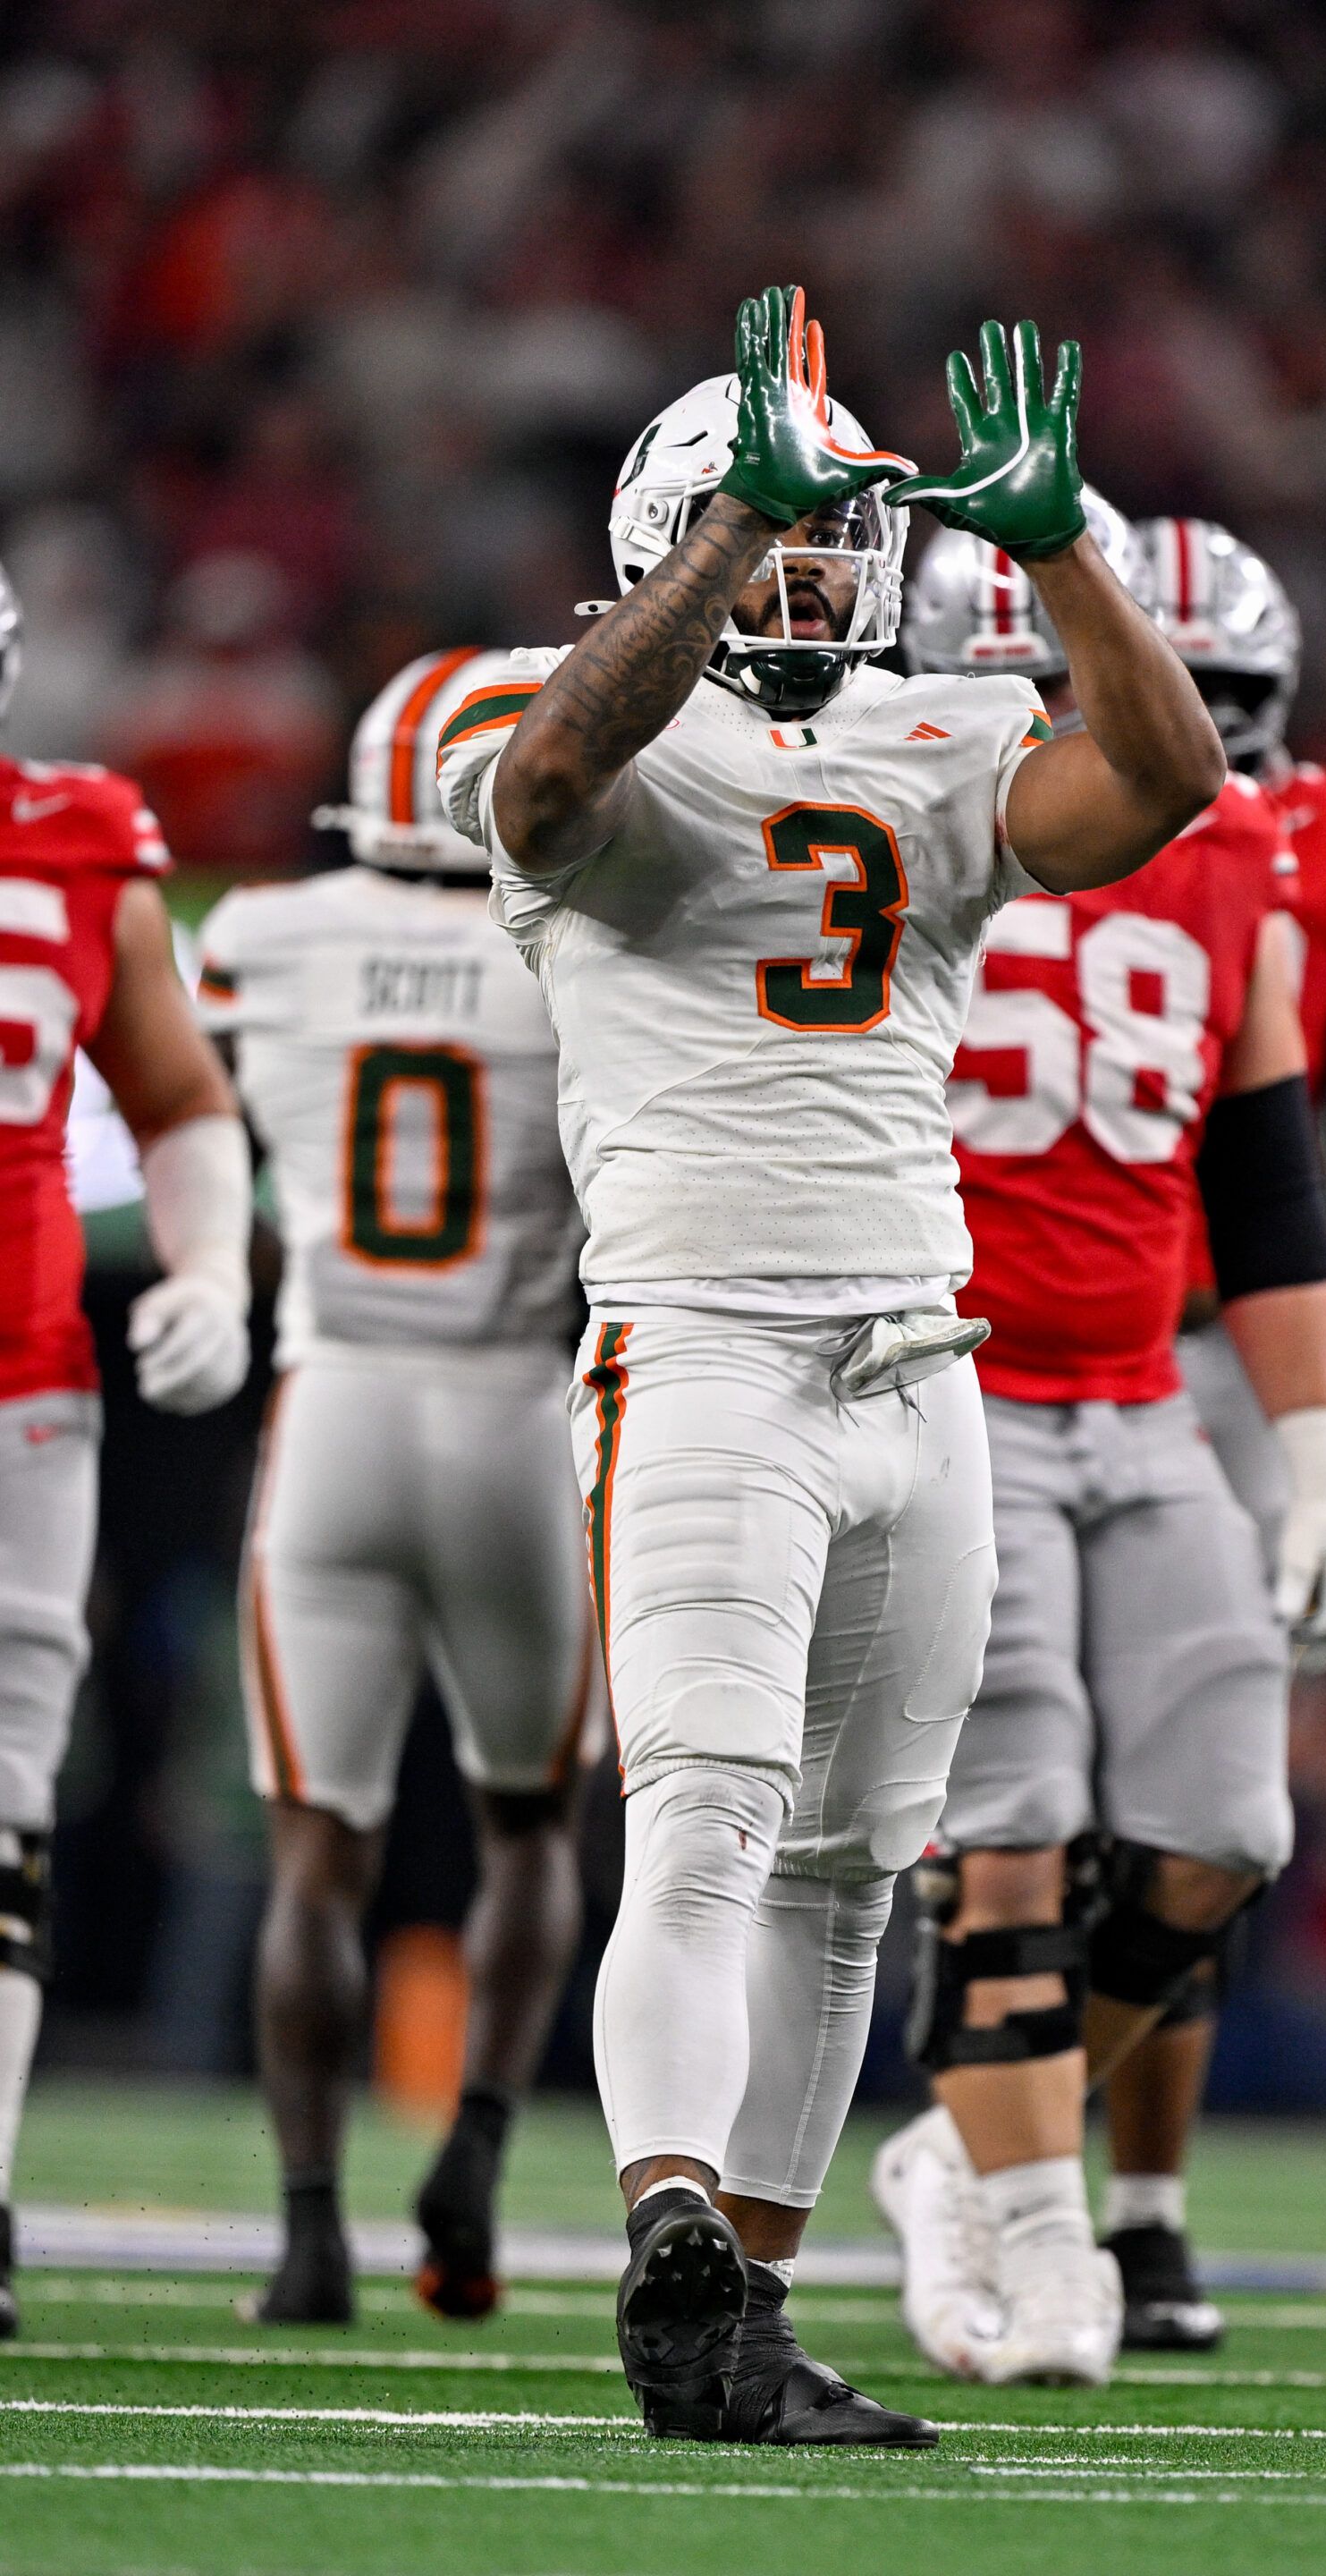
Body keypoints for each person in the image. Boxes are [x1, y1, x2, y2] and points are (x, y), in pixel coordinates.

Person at [436, 284, 1225, 2446]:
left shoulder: (942, 732)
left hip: (920, 1362)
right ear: (670, 525)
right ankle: (669, 2216)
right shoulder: (564, 697)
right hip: (702, 1352)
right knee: (701, 1816)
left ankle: (744, 2313)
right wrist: (711, 555)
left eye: (825, 531)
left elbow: (1167, 779)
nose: (814, 562)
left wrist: (1068, 551)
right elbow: (553, 782)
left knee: (856, 1864)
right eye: (767, 525)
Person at [873, 513, 1326, 2385]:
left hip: (1141, 1402)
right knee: (1006, 1851)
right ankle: (1044, 2245)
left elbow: (1263, 1183)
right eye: (1016, 680)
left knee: (1223, 1832)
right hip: (952, 1389)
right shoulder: (893, 814)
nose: (1056, 715)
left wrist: (1318, 1451)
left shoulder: (1228, 844)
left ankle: (957, 2155)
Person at [1101, 521, 1326, 2352]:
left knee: (1205, 1806)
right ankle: (983, 2154)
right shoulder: (978, 794)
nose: (1194, 731)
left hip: (1230, 1347)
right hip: (987, 1340)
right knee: (982, 1812)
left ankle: (1135, 2204)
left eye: (1226, 699)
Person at [197, 651, 596, 2328]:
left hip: (337, 1407)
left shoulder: (257, 940)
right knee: (526, 1832)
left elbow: (187, 1144)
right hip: (514, 1414)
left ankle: (305, 2236)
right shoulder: (574, 956)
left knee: (317, 1856)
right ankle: (478, 2165)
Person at [0, 561, 253, 2341]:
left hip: (28, 1387)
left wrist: (217, 1261)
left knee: (8, 1812)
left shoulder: (82, 842)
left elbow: (176, 1102)